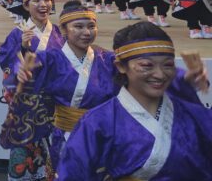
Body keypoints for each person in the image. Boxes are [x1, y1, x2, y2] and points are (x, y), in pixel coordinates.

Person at [16, 2, 207, 171]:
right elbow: (24, 77)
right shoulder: (50, 59)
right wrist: (23, 75)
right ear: (64, 30)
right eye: (79, 27)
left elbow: (143, 70)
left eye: (91, 26)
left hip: (106, 133)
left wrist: (184, 79)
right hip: (66, 134)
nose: (86, 32)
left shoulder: (108, 60)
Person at [57, 22, 212, 179]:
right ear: (121, 66)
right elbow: (73, 174)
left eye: (168, 65)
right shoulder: (98, 122)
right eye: (146, 65)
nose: (159, 74)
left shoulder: (194, 115)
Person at [0, 0, 63, 181]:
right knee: (27, 147)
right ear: (26, 6)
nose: (43, 5)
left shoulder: (60, 32)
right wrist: (23, 49)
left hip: (55, 101)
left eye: (47, 0)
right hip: (29, 102)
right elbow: (7, 67)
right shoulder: (17, 34)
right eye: (36, 1)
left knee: (56, 149)